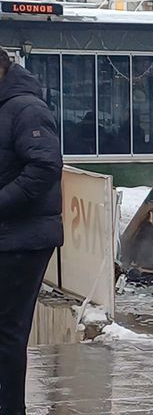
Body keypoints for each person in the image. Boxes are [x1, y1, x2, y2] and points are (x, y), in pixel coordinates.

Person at [0, 47, 64, 415]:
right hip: (8, 233)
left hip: (24, 238)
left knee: (8, 330)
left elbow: (44, 167)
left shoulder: (26, 108)